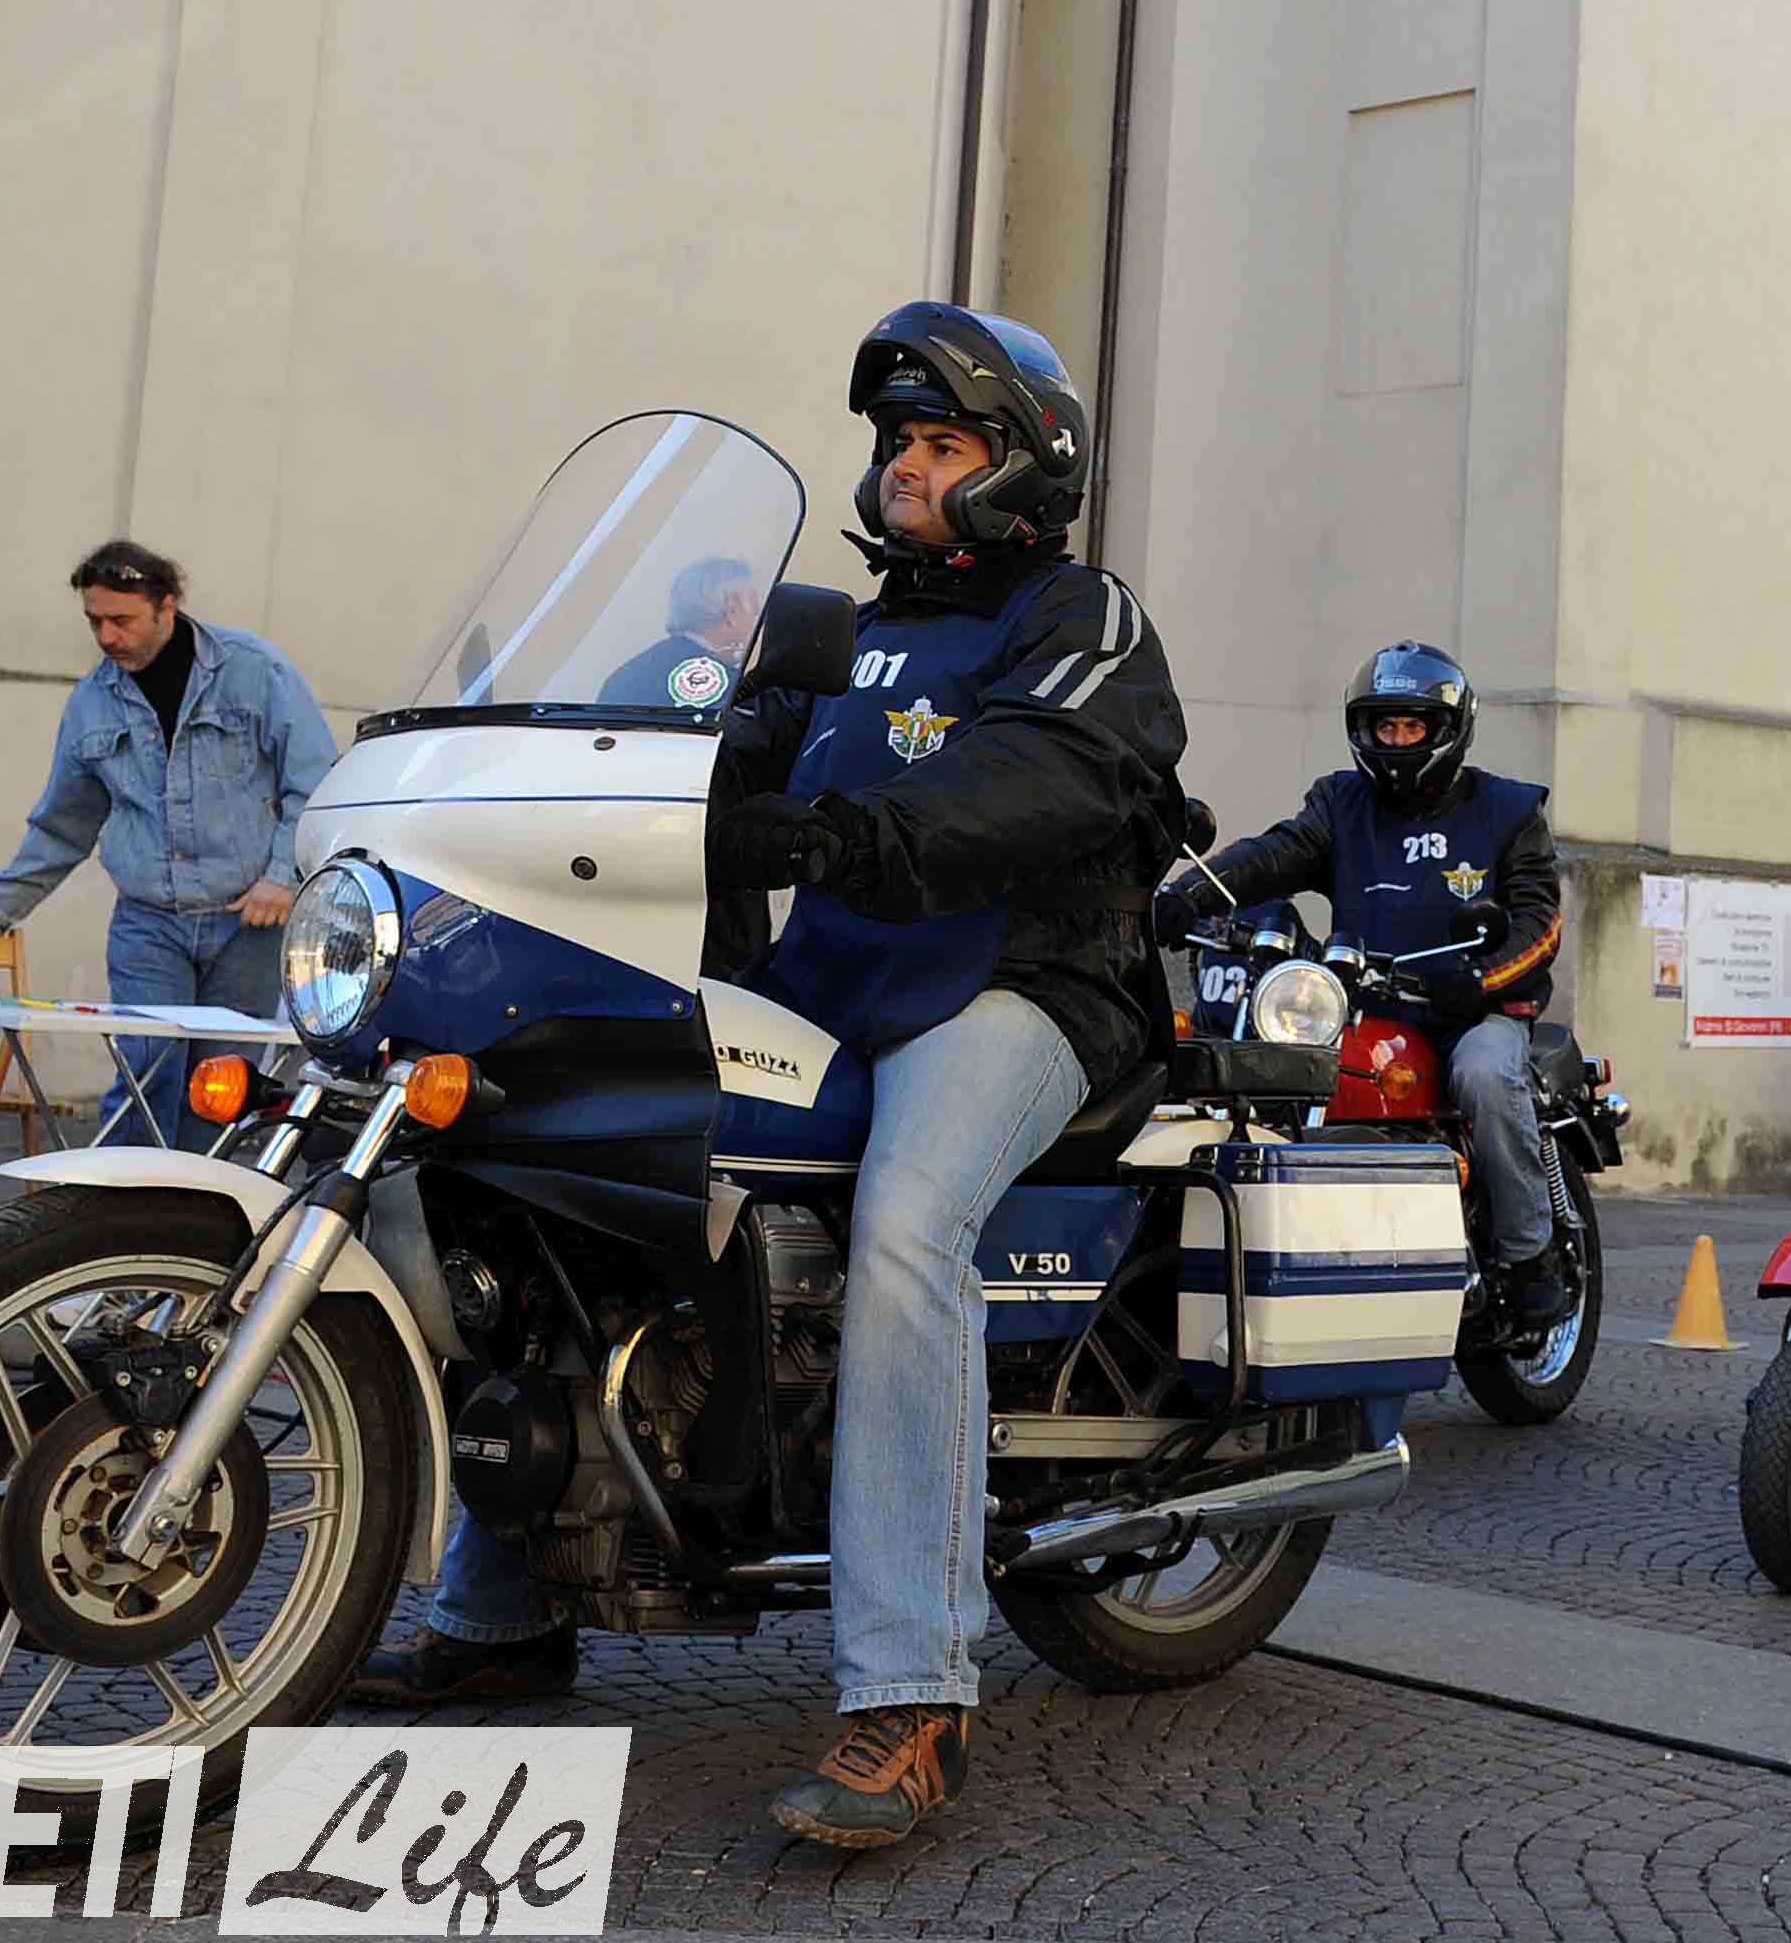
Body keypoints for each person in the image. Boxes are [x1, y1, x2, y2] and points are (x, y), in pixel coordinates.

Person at [354, 303, 1188, 1857]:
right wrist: (543, 783)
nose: (907, 468)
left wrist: (836, 836)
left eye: (942, 444)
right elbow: (716, 748)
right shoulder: (841, 637)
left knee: (909, 1227)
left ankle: (912, 1694)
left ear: (1027, 464)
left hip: (1024, 984)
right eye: (897, 444)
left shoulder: (1082, 618)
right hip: (841, 980)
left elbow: (1041, 778)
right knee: (569, 1178)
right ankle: (505, 1611)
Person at [1161, 644, 1570, 1335]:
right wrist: (1189, 896)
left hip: (1474, 1012)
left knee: (1484, 1077)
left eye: (1413, 727)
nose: (1398, 741)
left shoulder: (1507, 810)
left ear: (1449, 730)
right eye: (1386, 727)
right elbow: (1274, 855)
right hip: (1364, 1005)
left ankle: (1531, 1257)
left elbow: (1540, 922)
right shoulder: (1341, 805)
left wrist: (1478, 981)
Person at [0, 542, 338, 1142]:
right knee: (144, 1072)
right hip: (148, 925)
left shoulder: (256, 672)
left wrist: (282, 879)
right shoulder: (92, 704)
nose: (106, 637)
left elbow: (316, 784)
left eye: (121, 620)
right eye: (94, 621)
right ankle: (121, 1199)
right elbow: (61, 826)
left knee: (220, 1088)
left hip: (250, 927)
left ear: (167, 607)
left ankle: (197, 1201)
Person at [598, 553, 763, 711]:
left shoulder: (627, 674)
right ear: (732, 608)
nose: (757, 615)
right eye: (755, 605)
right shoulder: (726, 686)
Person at [1182, 896, 1309, 1042]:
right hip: (1250, 1035)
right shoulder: (1280, 910)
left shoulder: (1219, 905)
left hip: (1208, 1030)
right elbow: (1307, 954)